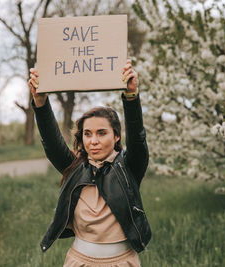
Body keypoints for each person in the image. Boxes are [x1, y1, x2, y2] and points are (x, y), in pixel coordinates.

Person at [28, 59, 151, 267]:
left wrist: (131, 97)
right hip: (80, 261)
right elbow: (52, 143)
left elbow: (138, 140)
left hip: (122, 262)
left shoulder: (129, 167)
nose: (93, 141)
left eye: (101, 133)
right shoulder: (75, 168)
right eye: (87, 134)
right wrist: (40, 103)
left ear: (116, 137)